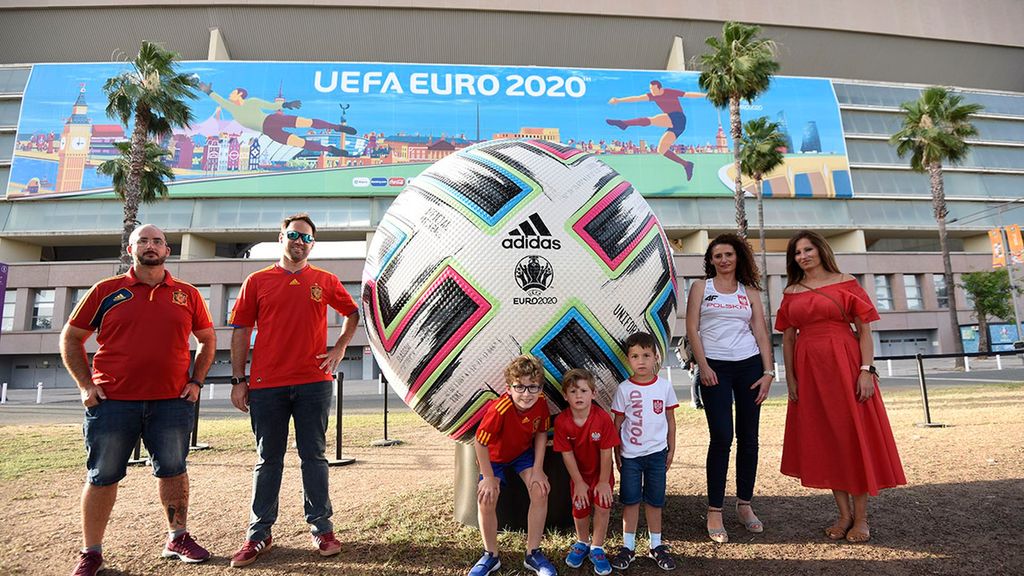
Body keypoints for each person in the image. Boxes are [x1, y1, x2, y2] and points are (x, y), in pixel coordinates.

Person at [60, 224, 216, 576]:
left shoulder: (187, 294)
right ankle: (91, 553)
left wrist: (196, 381)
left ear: (167, 251)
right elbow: (71, 338)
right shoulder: (106, 291)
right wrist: (86, 385)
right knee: (102, 476)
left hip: (171, 402)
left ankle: (177, 537)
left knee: (174, 470)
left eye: (157, 241)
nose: (150, 246)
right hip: (113, 402)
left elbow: (207, 339)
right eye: (142, 241)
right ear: (130, 248)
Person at [228, 213, 360, 567]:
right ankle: (259, 534)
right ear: (281, 237)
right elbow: (241, 330)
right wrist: (238, 379)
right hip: (266, 385)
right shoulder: (257, 281)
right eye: (293, 235)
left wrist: (339, 348)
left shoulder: (324, 280)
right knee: (267, 460)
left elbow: (352, 313)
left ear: (312, 244)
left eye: (306, 238)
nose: (299, 242)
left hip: (313, 383)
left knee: (313, 457)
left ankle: (322, 528)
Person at [775, 230, 906, 543]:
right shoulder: (791, 291)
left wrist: (866, 371)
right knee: (827, 440)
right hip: (810, 372)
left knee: (852, 437)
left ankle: (861, 519)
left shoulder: (846, 282)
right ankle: (843, 515)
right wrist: (791, 378)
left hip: (846, 366)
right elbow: (788, 338)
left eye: (808, 250)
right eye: (797, 253)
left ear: (821, 250)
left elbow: (864, 330)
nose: (803, 256)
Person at [685, 233, 775, 543]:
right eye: (717, 255)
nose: (723, 260)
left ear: (738, 258)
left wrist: (768, 372)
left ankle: (745, 505)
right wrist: (704, 365)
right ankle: (715, 510)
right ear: (710, 260)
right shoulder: (701, 288)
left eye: (729, 254)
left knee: (749, 438)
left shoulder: (749, 291)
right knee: (722, 437)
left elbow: (761, 332)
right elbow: (692, 329)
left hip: (749, 366)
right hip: (715, 368)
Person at [470, 354, 556, 576]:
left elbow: (541, 433)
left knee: (540, 490)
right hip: (494, 457)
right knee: (486, 498)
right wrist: (488, 477)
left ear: (540, 388)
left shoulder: (541, 402)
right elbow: (480, 443)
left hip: (521, 454)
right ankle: (490, 555)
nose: (526, 394)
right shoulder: (499, 409)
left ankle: (533, 553)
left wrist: (538, 469)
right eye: (520, 387)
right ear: (509, 388)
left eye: (533, 387)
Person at [610, 332, 678, 571]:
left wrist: (671, 449)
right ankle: (628, 547)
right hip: (630, 457)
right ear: (628, 359)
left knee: (654, 501)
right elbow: (617, 424)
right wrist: (616, 452)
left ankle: (656, 545)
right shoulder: (624, 389)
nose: (641, 361)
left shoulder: (664, 386)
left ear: (656, 357)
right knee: (630, 501)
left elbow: (671, 420)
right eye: (635, 356)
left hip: (657, 455)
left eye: (646, 355)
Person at [553, 369, 619, 576]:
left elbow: (606, 452)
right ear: (565, 396)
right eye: (573, 391)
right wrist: (579, 483)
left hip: (601, 474)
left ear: (593, 393)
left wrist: (603, 482)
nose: (578, 396)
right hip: (579, 476)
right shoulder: (562, 421)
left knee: (602, 507)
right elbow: (567, 455)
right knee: (580, 507)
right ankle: (582, 542)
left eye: (583, 390)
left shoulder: (603, 418)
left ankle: (597, 547)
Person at [197, 82, 357, 156]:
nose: (230, 95)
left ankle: (338, 127)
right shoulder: (232, 108)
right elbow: (219, 99)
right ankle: (331, 149)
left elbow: (271, 106)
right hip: (268, 131)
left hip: (272, 120)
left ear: (240, 94)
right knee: (300, 143)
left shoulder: (252, 101)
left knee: (306, 123)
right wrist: (208, 91)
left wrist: (286, 104)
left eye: (232, 92)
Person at [606, 80, 706, 181]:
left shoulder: (669, 92)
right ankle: (686, 164)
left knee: (652, 120)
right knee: (661, 150)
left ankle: (624, 124)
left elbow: (687, 94)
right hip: (676, 126)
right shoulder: (652, 96)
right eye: (650, 89)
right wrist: (618, 100)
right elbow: (637, 98)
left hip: (678, 118)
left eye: (654, 89)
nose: (652, 91)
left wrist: (706, 95)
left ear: (660, 88)